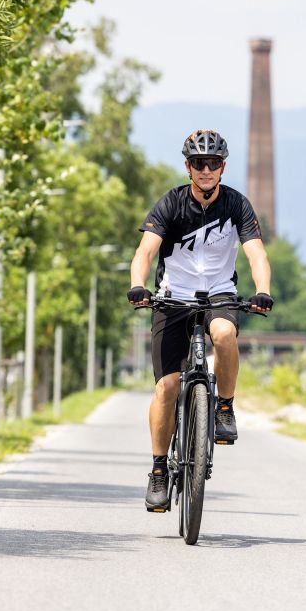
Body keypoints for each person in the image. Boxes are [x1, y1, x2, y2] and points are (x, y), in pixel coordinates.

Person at [128, 129, 274, 511]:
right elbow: (145, 251)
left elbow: (256, 254)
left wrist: (262, 289)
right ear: (188, 167)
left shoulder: (237, 205)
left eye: (212, 163)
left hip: (219, 294)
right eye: (198, 163)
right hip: (172, 297)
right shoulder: (171, 204)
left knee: (224, 334)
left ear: (222, 167)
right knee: (167, 388)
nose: (205, 170)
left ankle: (224, 406)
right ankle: (159, 470)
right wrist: (137, 284)